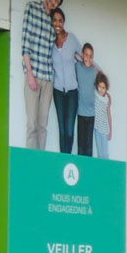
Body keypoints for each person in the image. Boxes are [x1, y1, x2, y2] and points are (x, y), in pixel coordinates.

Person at [19, 0, 61, 150]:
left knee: (43, 126)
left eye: (57, 1)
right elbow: (25, 44)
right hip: (34, 74)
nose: (53, 1)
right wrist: (29, 74)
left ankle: (40, 159)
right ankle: (30, 160)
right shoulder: (32, 8)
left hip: (48, 78)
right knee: (32, 124)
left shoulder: (54, 20)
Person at [49, 9, 82, 154]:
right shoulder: (50, 43)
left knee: (69, 130)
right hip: (57, 91)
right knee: (62, 130)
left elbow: (84, 58)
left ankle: (68, 157)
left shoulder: (71, 39)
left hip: (72, 91)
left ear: (64, 22)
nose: (57, 23)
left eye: (60, 20)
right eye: (55, 20)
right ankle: (63, 159)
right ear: (52, 22)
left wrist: (98, 71)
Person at [74, 43, 98, 158]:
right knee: (81, 145)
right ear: (82, 54)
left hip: (91, 113)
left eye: (91, 56)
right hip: (81, 112)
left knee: (89, 146)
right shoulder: (77, 67)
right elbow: (74, 54)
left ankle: (89, 167)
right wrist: (80, 58)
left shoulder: (94, 71)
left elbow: (102, 83)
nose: (88, 58)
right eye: (86, 55)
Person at [92, 72, 112, 159]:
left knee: (105, 154)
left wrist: (110, 131)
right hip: (97, 128)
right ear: (97, 86)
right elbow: (96, 68)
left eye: (103, 88)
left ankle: (106, 166)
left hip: (104, 130)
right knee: (99, 153)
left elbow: (109, 116)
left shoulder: (107, 100)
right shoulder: (95, 95)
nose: (101, 89)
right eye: (100, 87)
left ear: (106, 88)